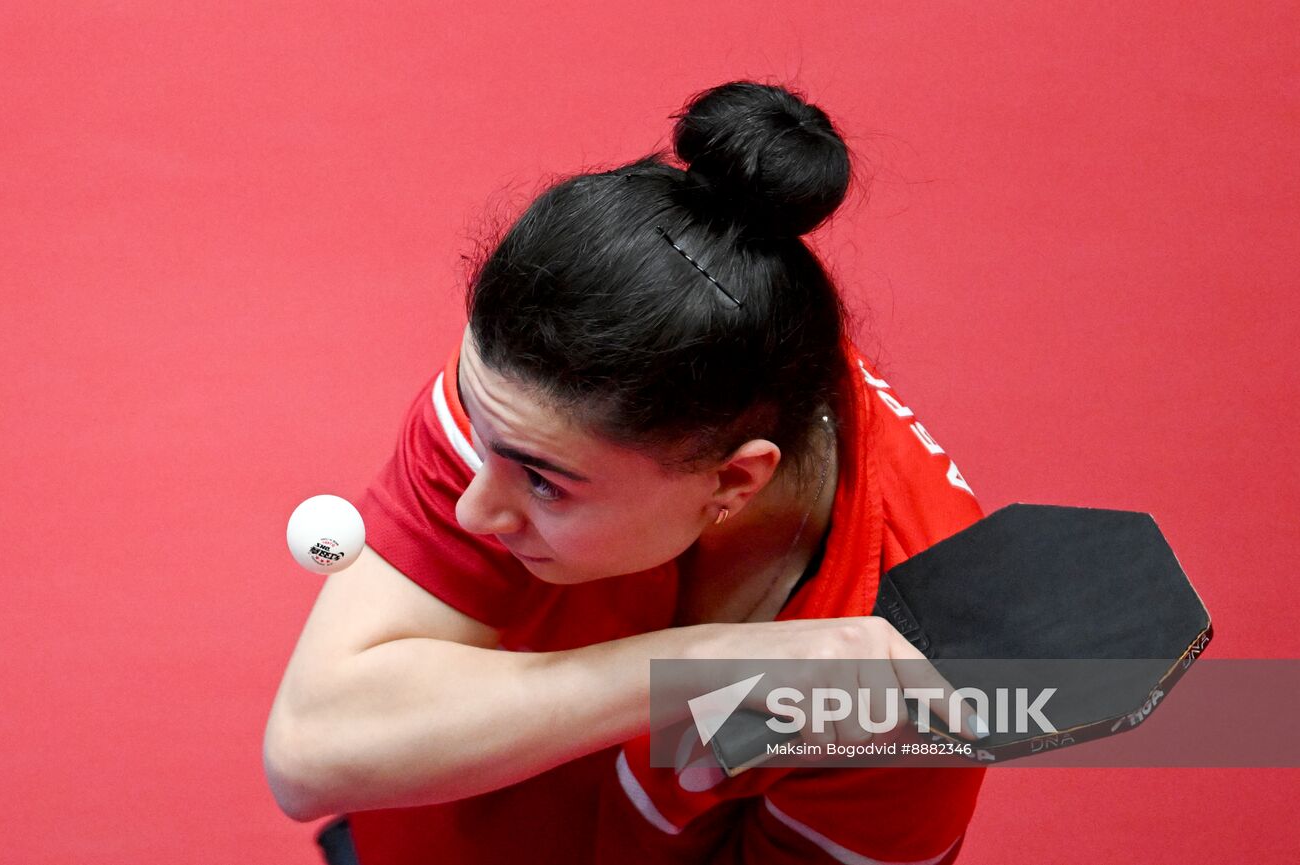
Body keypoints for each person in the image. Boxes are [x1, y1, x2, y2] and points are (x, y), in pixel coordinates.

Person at [264, 80, 987, 864]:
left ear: (734, 483)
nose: (475, 509)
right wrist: (702, 671)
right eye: (481, 428)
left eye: (544, 484)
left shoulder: (920, 669)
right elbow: (312, 752)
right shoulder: (523, 400)